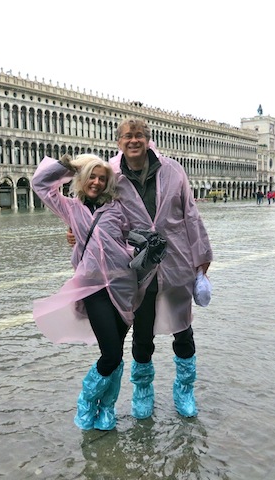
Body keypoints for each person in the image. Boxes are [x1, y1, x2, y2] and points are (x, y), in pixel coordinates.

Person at [70, 118, 213, 418]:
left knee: (183, 331)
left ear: (149, 139)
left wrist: (202, 256)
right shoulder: (112, 174)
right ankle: (143, 390)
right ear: (118, 142)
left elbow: (190, 212)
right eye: (127, 137)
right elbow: (93, 204)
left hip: (176, 261)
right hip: (137, 267)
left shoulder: (173, 170)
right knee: (142, 334)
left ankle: (184, 389)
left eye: (138, 136)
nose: (133, 141)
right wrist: (76, 230)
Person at [32, 153, 146, 431]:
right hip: (93, 288)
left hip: (123, 285)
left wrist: (134, 250)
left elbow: (136, 235)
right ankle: (87, 400)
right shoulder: (70, 208)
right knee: (110, 354)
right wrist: (70, 166)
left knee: (117, 352)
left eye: (101, 178)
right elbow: (41, 185)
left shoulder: (117, 209)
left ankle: (106, 409)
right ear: (82, 180)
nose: (96, 182)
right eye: (91, 177)